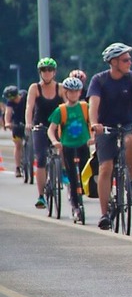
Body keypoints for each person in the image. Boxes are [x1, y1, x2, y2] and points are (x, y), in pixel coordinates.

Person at [87, 43, 132, 230]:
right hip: (105, 127)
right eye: (125, 60)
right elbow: (93, 105)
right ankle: (104, 214)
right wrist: (95, 124)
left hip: (127, 124)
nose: (130, 62)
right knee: (105, 167)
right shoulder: (99, 80)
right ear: (114, 62)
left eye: (129, 59)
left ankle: (129, 179)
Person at [46, 77, 92, 221]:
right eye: (70, 92)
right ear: (65, 93)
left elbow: (94, 122)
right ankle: (76, 206)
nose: (73, 94)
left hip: (83, 144)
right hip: (68, 146)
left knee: (86, 173)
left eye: (76, 91)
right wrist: (55, 141)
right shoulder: (61, 110)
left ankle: (86, 194)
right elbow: (51, 129)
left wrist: (93, 137)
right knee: (72, 177)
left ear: (80, 92)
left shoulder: (85, 107)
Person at [25, 58, 65, 209]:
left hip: (56, 126)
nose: (47, 73)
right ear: (40, 73)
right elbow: (29, 107)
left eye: (49, 70)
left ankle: (64, 172)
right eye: (44, 70)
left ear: (54, 72)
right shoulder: (35, 88)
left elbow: (67, 105)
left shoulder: (60, 88)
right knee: (41, 158)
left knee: (65, 149)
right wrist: (29, 123)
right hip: (40, 126)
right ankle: (41, 195)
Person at [3, 85, 27, 177]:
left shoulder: (25, 96)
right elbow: (8, 113)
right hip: (17, 123)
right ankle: (17, 168)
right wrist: (7, 123)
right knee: (18, 145)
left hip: (28, 120)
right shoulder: (10, 103)